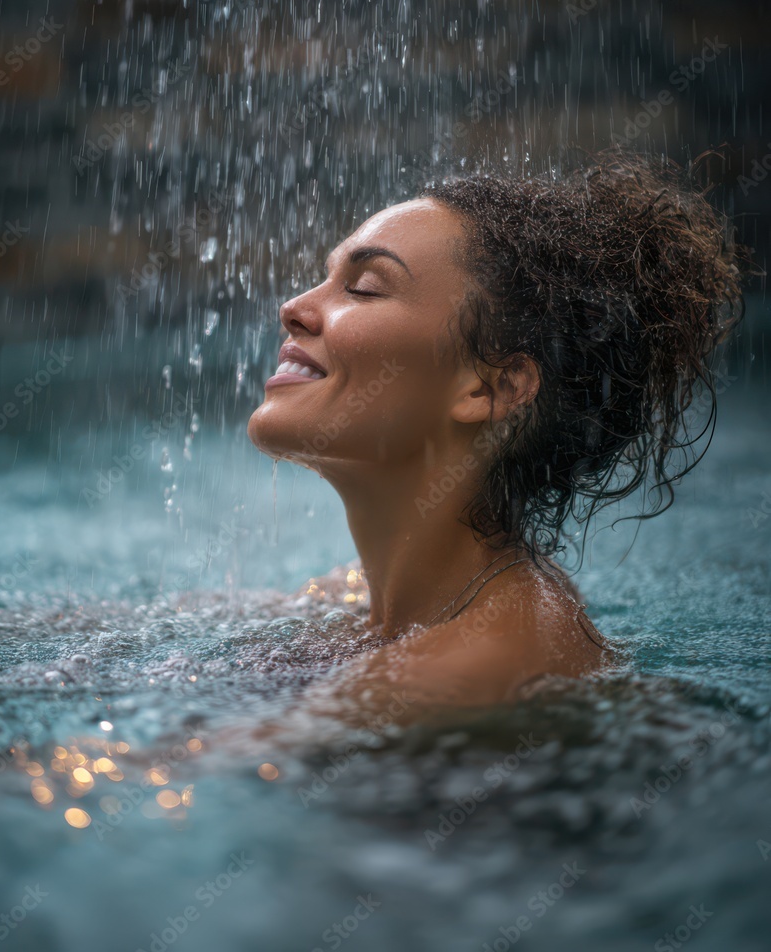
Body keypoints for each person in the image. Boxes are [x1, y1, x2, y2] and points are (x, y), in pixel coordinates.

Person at [245, 152, 745, 725]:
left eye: (362, 288)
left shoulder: (476, 662)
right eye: (325, 278)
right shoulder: (375, 596)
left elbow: (185, 772)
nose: (294, 308)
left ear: (492, 388)